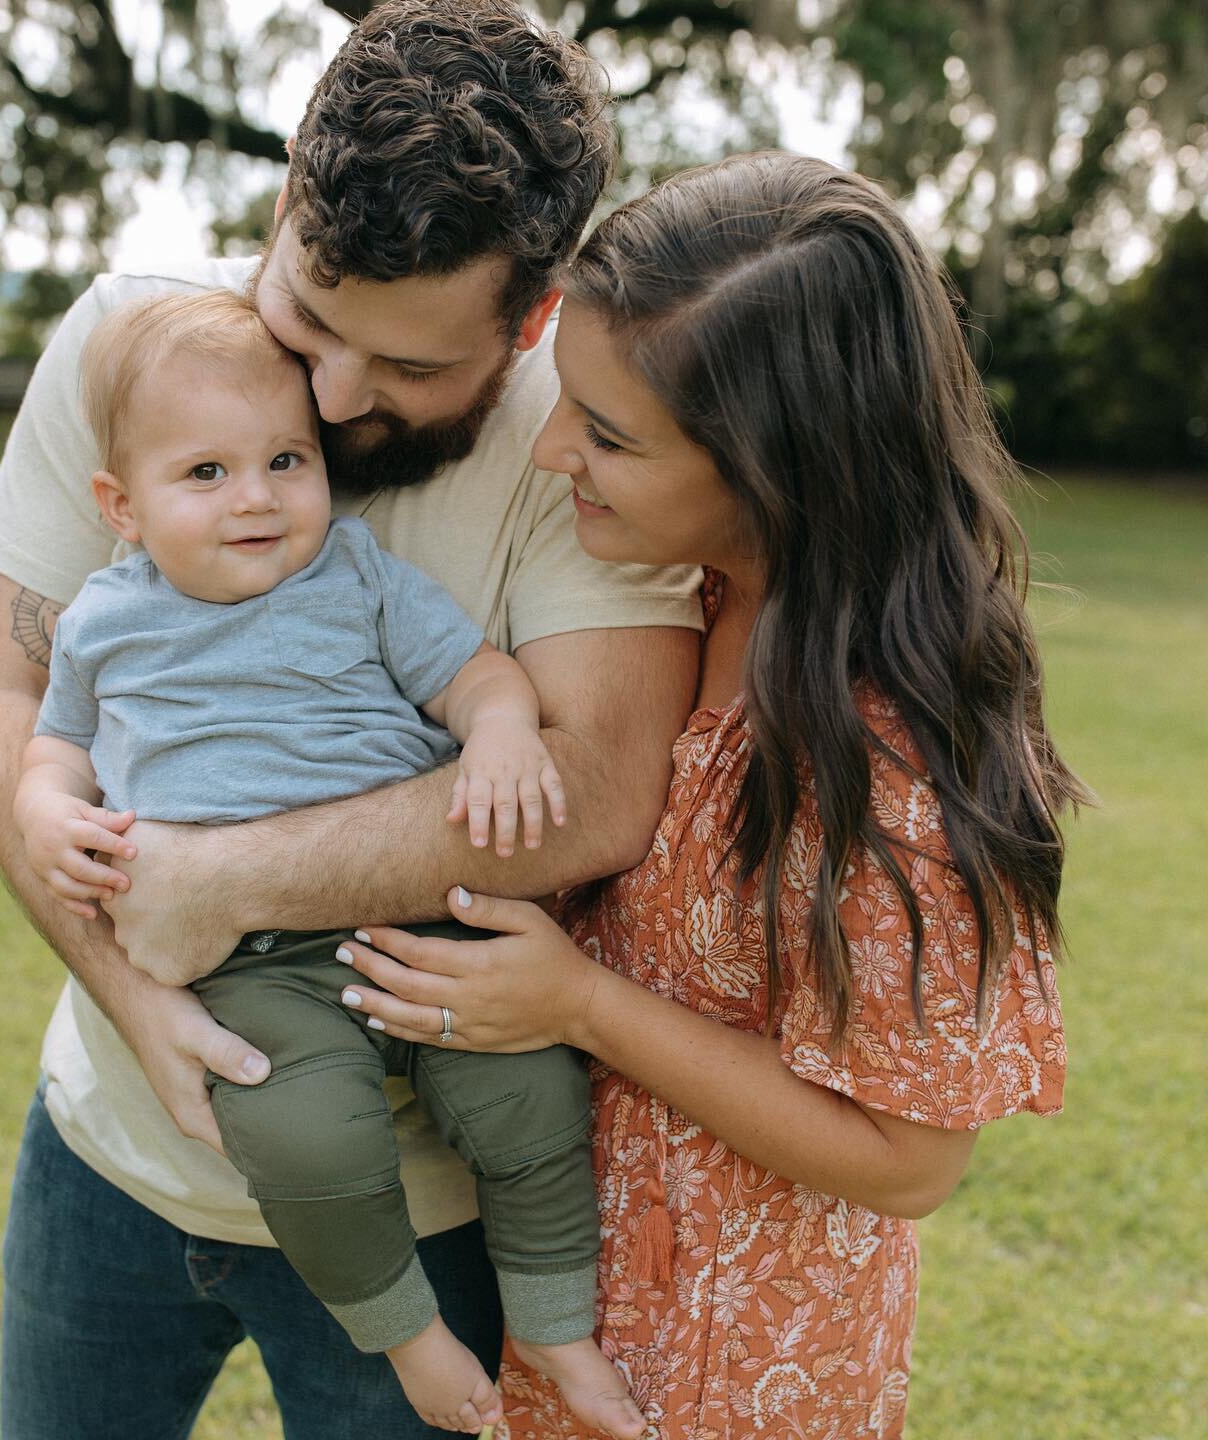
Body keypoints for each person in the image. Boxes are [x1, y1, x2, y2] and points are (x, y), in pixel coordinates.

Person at [0, 3, 702, 1436]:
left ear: (529, 318)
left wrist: (216, 883)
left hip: (421, 1201)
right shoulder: (126, 348)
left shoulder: (575, 439)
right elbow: (2, 690)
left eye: (411, 369)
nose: (334, 401)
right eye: (311, 321)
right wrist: (138, 997)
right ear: (293, 191)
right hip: (104, 1152)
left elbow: (596, 787)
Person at [334, 151, 1085, 1439]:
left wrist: (579, 1003)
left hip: (739, 1364)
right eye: (568, 398)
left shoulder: (890, 743)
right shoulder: (680, 598)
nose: (557, 450)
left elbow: (912, 1160)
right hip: (564, 1305)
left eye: (611, 435)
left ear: (781, 463)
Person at [12, 286, 642, 1437]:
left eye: (285, 461)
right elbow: (50, 743)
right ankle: (407, 1339)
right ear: (121, 506)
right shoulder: (102, 620)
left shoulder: (354, 574)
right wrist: (49, 806)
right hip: (252, 968)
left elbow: (477, 677)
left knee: (527, 1094)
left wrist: (501, 731)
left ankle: (554, 1316)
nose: (254, 497)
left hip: (419, 922)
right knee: (306, 1137)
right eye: (204, 474)